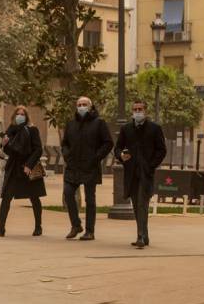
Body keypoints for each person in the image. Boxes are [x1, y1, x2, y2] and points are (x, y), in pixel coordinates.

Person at [115, 99, 167, 249]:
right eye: (135, 109)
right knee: (136, 204)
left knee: (142, 203)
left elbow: (161, 150)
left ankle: (140, 236)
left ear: (146, 111)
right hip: (131, 172)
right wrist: (121, 156)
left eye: (140, 109)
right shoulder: (126, 128)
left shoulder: (154, 128)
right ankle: (144, 234)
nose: (137, 112)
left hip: (146, 173)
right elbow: (118, 148)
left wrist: (151, 165)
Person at [60, 95, 113, 241]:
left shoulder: (99, 123)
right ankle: (76, 225)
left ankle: (90, 231)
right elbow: (64, 143)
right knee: (68, 193)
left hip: (90, 167)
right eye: (79, 104)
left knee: (90, 199)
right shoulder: (71, 124)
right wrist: (67, 155)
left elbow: (108, 143)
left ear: (90, 106)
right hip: (73, 166)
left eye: (84, 104)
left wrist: (96, 157)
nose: (81, 107)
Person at [0, 105, 46, 237]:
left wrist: (29, 165)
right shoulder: (11, 129)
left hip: (28, 167)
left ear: (26, 116)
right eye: (18, 114)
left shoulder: (32, 130)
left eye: (22, 114)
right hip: (14, 167)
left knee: (34, 197)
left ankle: (38, 226)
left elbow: (38, 149)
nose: (20, 116)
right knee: (6, 197)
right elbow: (8, 150)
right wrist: (4, 143)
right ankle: (1, 226)